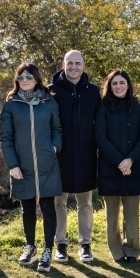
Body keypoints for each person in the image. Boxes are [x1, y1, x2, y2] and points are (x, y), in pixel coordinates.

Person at [0, 63, 62, 272]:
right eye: (20, 77)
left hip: (47, 164)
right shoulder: (10, 105)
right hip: (22, 166)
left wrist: (55, 146)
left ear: (36, 79)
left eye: (29, 76)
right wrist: (13, 165)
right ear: (16, 81)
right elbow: (6, 137)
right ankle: (30, 247)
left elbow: (57, 129)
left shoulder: (49, 102)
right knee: (27, 209)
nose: (24, 80)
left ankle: (47, 251)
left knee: (48, 208)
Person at [49, 50, 101, 263]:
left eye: (77, 63)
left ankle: (85, 244)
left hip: (86, 155)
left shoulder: (93, 92)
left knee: (85, 203)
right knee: (58, 203)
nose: (73, 67)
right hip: (58, 156)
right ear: (63, 64)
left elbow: (100, 124)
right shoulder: (51, 91)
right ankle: (60, 244)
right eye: (70, 63)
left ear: (83, 65)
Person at [95, 69, 140, 263]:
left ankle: (132, 250)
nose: (118, 86)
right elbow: (100, 137)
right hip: (110, 167)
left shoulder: (138, 108)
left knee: (132, 213)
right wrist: (120, 161)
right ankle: (117, 251)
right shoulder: (103, 108)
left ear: (128, 85)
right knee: (112, 214)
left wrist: (130, 160)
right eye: (114, 83)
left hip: (133, 167)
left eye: (122, 83)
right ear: (109, 87)